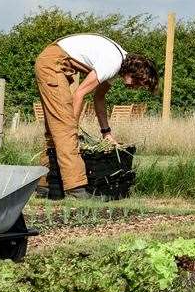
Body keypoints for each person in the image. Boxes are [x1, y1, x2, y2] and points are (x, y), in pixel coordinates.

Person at [34, 32, 159, 199]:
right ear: (134, 72)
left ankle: (46, 183)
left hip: (55, 62)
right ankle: (76, 189)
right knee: (65, 130)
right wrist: (73, 127)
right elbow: (80, 94)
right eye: (138, 83)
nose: (136, 88)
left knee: (57, 129)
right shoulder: (112, 63)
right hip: (53, 63)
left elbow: (99, 98)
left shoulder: (117, 65)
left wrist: (106, 132)